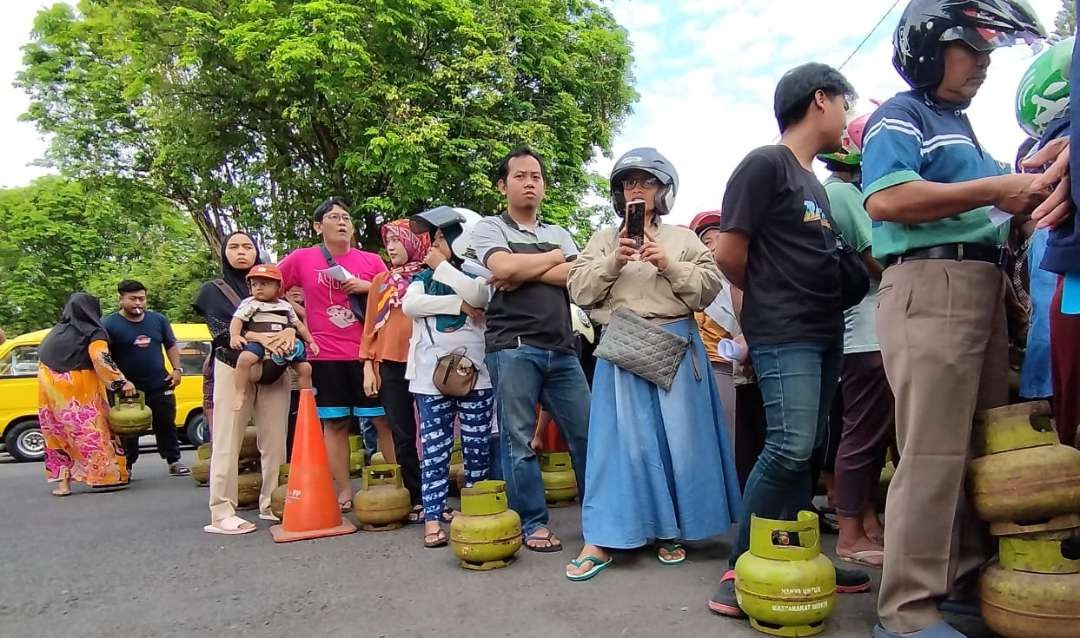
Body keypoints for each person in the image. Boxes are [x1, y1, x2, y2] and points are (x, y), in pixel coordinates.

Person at [860, 2, 1048, 635]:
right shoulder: (900, 115)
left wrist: (1021, 191)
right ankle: (907, 612)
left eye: (989, 53)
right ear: (928, 48)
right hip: (929, 282)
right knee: (931, 452)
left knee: (973, 447)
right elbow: (887, 198)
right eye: (972, 50)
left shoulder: (963, 131)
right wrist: (996, 190)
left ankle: (960, 585)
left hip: (979, 285)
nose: (984, 65)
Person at [707, 62, 871, 618]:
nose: (847, 119)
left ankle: (801, 559)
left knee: (808, 451)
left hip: (824, 332)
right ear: (820, 100)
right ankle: (738, 566)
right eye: (844, 105)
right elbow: (729, 252)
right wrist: (777, 296)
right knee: (787, 445)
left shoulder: (815, 186)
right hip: (785, 330)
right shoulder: (766, 164)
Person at [565, 148, 741, 581]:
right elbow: (578, 290)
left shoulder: (684, 239)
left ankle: (670, 531)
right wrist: (614, 261)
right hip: (622, 347)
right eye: (628, 182)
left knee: (677, 445)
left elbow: (705, 291)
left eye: (645, 182)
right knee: (616, 447)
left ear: (663, 190)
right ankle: (603, 538)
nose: (636, 189)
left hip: (676, 347)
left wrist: (668, 264)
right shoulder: (603, 239)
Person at [471, 147, 590, 553]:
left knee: (589, 433)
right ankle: (533, 524)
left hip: (563, 348)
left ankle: (601, 520)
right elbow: (501, 269)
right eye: (520, 176)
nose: (530, 183)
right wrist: (549, 262)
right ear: (503, 185)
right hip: (513, 347)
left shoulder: (559, 232)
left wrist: (526, 267)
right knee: (519, 440)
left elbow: (575, 277)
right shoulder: (488, 228)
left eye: (536, 177)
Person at [279, 197, 393, 510]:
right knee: (336, 424)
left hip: (368, 354)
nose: (342, 222)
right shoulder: (302, 258)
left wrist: (365, 287)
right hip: (325, 355)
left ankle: (397, 485)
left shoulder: (371, 261)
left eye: (346, 217)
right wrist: (297, 315)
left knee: (383, 420)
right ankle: (343, 492)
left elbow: (395, 293)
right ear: (318, 226)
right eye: (333, 217)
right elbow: (268, 289)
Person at [818, 111, 892, 567]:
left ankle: (866, 523)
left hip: (864, 330)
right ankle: (850, 534)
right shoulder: (843, 193)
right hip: (868, 331)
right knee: (863, 436)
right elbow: (878, 259)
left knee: (866, 434)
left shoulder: (838, 191)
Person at [401, 205, 494, 547]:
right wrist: (457, 306)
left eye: (440, 237)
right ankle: (433, 516)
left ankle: (476, 511)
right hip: (430, 380)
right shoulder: (421, 278)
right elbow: (410, 307)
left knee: (477, 448)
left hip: (478, 377)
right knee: (436, 450)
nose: (433, 245)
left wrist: (445, 271)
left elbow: (479, 296)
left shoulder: (479, 272)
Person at [193, 231, 291, 534]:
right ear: (224, 253)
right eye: (233, 247)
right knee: (226, 440)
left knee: (275, 442)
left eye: (247, 246)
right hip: (233, 367)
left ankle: (273, 503)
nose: (241, 252)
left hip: (274, 369)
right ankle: (221, 511)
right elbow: (221, 332)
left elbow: (292, 323)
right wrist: (259, 337)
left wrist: (289, 334)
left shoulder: (275, 292)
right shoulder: (214, 291)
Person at [360, 219, 429, 522]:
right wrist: (368, 366)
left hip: (426, 360)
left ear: (414, 243)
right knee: (402, 431)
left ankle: (436, 495)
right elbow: (370, 326)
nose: (390, 247)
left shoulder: (429, 276)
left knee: (432, 431)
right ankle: (415, 497)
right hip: (389, 362)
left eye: (397, 240)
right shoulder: (381, 281)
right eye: (387, 241)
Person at [38, 293, 134, 495]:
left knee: (57, 435)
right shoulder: (93, 331)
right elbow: (101, 359)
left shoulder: (56, 332)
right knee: (92, 431)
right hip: (80, 391)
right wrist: (121, 382)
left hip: (49, 391)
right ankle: (104, 477)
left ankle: (63, 484)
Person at [102, 280, 189, 477]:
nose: (138, 303)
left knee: (166, 423)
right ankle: (127, 466)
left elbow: (171, 345)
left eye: (142, 298)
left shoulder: (158, 320)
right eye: (133, 299)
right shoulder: (108, 324)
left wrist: (177, 370)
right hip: (127, 389)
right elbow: (104, 357)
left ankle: (174, 461)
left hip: (160, 383)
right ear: (120, 299)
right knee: (127, 428)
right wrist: (120, 381)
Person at [229, 263, 318, 411]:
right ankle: (240, 392)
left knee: (305, 368)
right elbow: (237, 320)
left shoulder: (286, 306)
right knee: (245, 359)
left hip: (283, 343)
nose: (258, 287)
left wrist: (311, 341)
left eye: (264, 284)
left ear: (278, 286)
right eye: (254, 284)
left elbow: (299, 325)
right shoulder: (250, 303)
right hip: (260, 342)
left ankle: (307, 400)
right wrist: (235, 336)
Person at [689, 209, 743, 439]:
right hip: (707, 367)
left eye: (720, 239)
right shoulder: (696, 285)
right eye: (706, 242)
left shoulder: (749, 279)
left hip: (742, 368)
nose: (713, 246)